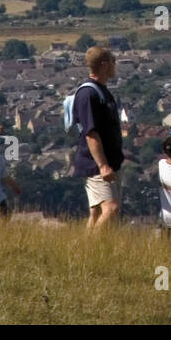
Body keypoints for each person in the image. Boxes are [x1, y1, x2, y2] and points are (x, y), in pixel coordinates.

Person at [72, 46, 124, 231]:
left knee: (96, 212)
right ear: (104, 65)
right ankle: (93, 249)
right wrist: (103, 165)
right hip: (96, 164)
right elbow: (91, 133)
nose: (115, 64)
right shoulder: (89, 94)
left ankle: (84, 253)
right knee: (111, 208)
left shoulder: (101, 91)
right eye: (112, 60)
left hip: (107, 162)